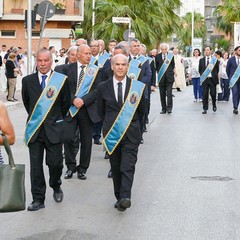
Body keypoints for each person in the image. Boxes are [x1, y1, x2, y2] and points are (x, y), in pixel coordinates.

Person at [22, 48, 71, 211]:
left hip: (54, 129)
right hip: (35, 130)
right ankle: (38, 199)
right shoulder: (27, 81)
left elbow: (65, 104)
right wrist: (38, 119)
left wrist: (54, 119)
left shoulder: (61, 80)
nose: (42, 64)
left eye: (45, 61)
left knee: (55, 164)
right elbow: (27, 103)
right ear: (36, 62)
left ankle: (56, 185)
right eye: (39, 61)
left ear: (51, 61)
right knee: (35, 167)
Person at [97, 54, 145, 211]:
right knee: (116, 167)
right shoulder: (103, 86)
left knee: (128, 166)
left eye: (123, 64)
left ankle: (126, 196)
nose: (119, 67)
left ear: (127, 67)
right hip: (112, 133)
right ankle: (119, 196)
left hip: (131, 133)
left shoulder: (136, 87)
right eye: (116, 64)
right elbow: (100, 111)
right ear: (112, 66)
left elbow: (142, 111)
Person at [62, 44, 102, 180]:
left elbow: (97, 90)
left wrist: (83, 100)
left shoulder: (95, 71)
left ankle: (82, 168)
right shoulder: (67, 69)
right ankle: (70, 166)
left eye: (90, 53)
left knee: (86, 141)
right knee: (67, 138)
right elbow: (64, 88)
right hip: (70, 108)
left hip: (87, 109)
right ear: (78, 54)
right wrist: (74, 99)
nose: (89, 56)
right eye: (86, 53)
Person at [155, 43, 175, 114]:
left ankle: (169, 108)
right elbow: (156, 67)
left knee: (169, 94)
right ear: (161, 49)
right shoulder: (157, 57)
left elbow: (173, 66)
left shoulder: (171, 56)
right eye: (162, 49)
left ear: (167, 49)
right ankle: (163, 108)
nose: (164, 51)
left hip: (169, 78)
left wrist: (170, 73)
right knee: (162, 94)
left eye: (165, 49)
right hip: (161, 78)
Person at [199, 46, 219, 114]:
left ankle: (214, 104)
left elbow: (217, 69)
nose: (206, 51)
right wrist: (203, 75)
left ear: (210, 51)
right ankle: (205, 108)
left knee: (213, 94)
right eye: (205, 50)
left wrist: (215, 76)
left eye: (208, 50)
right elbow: (200, 69)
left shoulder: (214, 60)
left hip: (212, 79)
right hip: (205, 79)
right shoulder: (201, 60)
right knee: (205, 94)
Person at [226, 46, 240, 114]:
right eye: (239, 50)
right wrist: (230, 78)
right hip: (233, 79)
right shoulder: (231, 59)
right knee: (235, 93)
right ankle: (235, 107)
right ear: (236, 51)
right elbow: (227, 70)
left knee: (239, 94)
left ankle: (237, 105)